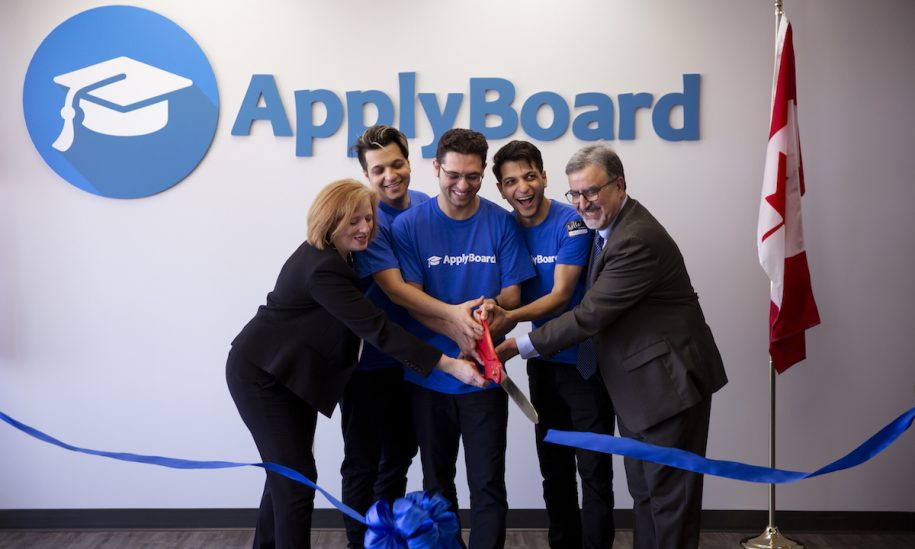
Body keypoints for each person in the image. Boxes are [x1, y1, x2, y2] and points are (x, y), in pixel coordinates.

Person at [226, 179, 485, 549]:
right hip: (262, 376)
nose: (365, 229)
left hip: (291, 376)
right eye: (353, 222)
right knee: (296, 481)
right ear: (330, 222)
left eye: (368, 219)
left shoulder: (340, 257)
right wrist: (450, 365)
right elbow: (377, 329)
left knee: (285, 476)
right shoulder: (323, 269)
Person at [496, 144, 728, 549]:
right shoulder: (607, 232)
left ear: (619, 185)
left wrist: (517, 346)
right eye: (576, 194)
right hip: (639, 389)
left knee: (670, 503)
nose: (584, 203)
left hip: (668, 386)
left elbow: (589, 314)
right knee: (645, 495)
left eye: (592, 191)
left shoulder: (635, 239)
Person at [391, 128, 535, 549]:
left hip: (486, 378)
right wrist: (460, 331)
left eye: (473, 176)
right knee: (437, 484)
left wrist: (491, 316)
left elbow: (512, 296)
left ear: (483, 173)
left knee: (488, 483)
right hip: (429, 378)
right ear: (436, 168)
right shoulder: (409, 226)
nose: (462, 185)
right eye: (453, 174)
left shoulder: (501, 222)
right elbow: (413, 301)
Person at [340, 125, 483, 548]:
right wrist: (456, 317)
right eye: (378, 169)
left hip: (416, 364)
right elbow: (397, 292)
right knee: (363, 464)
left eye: (397, 163)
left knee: (400, 459)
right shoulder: (369, 222)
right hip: (369, 364)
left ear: (411, 162)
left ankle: (392, 539)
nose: (390, 175)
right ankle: (360, 542)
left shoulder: (425, 206)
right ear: (367, 175)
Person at [484, 140, 616, 549]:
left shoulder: (570, 221)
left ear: (543, 176)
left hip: (584, 364)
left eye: (528, 176)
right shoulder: (502, 227)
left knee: (593, 470)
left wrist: (508, 319)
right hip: (540, 360)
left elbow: (561, 295)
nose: (522, 187)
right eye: (510, 182)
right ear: (502, 190)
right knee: (553, 468)